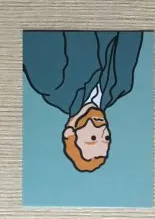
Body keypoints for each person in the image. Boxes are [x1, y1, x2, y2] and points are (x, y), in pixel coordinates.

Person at [23, 31, 144, 172]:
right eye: (106, 137)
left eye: (93, 137)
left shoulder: (51, 83)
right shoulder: (122, 86)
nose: (102, 129)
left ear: (69, 133)